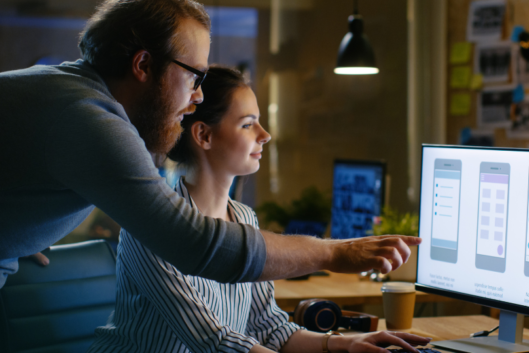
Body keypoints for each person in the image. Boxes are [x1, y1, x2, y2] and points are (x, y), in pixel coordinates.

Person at [0, 0, 419, 289]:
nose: (198, 95)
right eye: (195, 76)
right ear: (144, 65)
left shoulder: (70, 97)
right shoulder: (89, 119)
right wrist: (334, 254)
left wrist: (22, 236)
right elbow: (196, 245)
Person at [88, 66, 431, 353]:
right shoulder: (149, 228)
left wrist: (346, 343)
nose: (265, 135)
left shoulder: (244, 219)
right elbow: (214, 342)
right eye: (248, 123)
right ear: (204, 135)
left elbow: (269, 327)